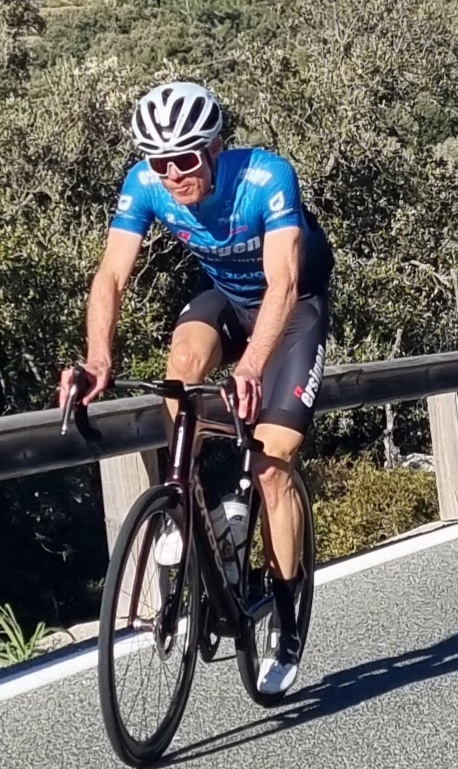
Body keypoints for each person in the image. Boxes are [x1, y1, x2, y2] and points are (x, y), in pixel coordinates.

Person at [58, 80, 331, 698]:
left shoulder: (266, 178)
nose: (173, 174)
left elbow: (285, 285)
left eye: (185, 158)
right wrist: (98, 357)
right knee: (180, 367)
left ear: (215, 148)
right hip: (227, 300)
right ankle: (190, 503)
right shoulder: (145, 185)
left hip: (293, 310)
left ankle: (286, 619)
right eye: (160, 162)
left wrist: (252, 366)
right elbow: (110, 276)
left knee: (273, 463)